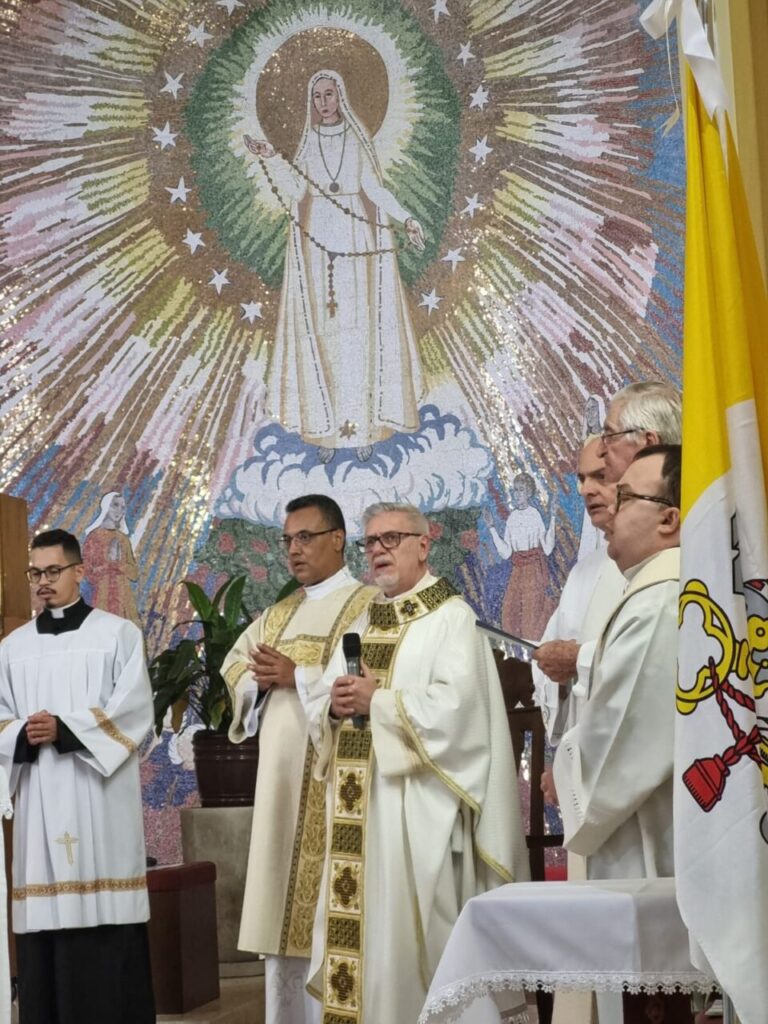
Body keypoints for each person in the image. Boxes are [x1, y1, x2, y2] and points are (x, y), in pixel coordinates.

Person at [305, 502, 529, 1024]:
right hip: (359, 822)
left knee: (414, 944)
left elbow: (457, 716)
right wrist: (333, 706)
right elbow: (326, 696)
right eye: (370, 542)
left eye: (391, 539)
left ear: (424, 545)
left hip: (417, 817)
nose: (378, 551)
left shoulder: (452, 619)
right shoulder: (363, 621)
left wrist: (377, 703)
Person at [222, 495, 376, 1024]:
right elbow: (235, 665)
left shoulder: (367, 605)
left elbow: (366, 684)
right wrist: (255, 683)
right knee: (282, 924)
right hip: (281, 785)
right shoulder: (278, 614)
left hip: (335, 784)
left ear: (338, 539)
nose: (294, 550)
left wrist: (298, 677)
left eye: (305, 537)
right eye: (288, 540)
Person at [0, 529, 155, 1024]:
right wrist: (24, 732)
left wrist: (66, 728)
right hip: (39, 803)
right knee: (45, 939)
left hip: (99, 802)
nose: (42, 583)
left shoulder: (117, 635)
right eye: (35, 574)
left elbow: (135, 715)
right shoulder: (12, 648)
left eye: (52, 572)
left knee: (105, 934)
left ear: (79, 572)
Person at [245, 69, 426, 461]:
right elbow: (296, 189)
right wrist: (272, 158)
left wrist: (406, 216)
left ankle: (362, 430)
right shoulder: (309, 144)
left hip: (355, 243)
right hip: (317, 250)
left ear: (341, 97)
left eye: (329, 94)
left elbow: (374, 189)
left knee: (356, 337)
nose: (323, 103)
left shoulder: (355, 140)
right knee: (325, 337)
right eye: (317, 97)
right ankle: (326, 433)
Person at [552, 444, 681, 879]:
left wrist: (566, 772)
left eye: (624, 497)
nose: (610, 508)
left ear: (669, 519)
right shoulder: (653, 589)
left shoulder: (662, 600)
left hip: (652, 843)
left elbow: (621, 735)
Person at [533, 381, 682, 732]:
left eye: (609, 435)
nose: (602, 449)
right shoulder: (599, 563)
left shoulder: (677, 554)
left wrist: (579, 659)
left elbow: (654, 667)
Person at [533, 436, 623, 752]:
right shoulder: (584, 571)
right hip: (587, 753)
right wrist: (562, 764)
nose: (586, 490)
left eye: (601, 476)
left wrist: (579, 659)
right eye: (582, 479)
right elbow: (551, 659)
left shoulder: (678, 557)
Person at [484, 472, 557, 640]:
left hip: (533, 570)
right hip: (518, 571)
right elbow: (507, 553)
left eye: (521, 490)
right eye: (515, 490)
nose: (517, 494)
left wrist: (552, 517)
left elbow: (546, 548)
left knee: (531, 618)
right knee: (510, 613)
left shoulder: (535, 515)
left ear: (529, 493)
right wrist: (492, 528)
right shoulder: (512, 518)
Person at [82, 490, 141, 626]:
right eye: (115, 505)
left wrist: (121, 566)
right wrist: (109, 566)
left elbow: (134, 574)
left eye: (122, 507)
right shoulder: (94, 537)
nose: (119, 510)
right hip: (103, 597)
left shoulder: (123, 539)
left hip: (125, 599)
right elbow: (88, 573)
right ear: (106, 506)